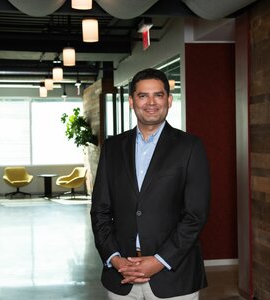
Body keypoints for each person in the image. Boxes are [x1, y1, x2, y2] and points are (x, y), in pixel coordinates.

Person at [90, 68, 211, 299]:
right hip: (122, 274)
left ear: (169, 100)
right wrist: (115, 258)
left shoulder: (190, 147)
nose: (151, 102)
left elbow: (195, 214)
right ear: (131, 101)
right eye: (143, 96)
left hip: (174, 274)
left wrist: (158, 261)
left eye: (158, 95)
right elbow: (100, 211)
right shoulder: (113, 147)